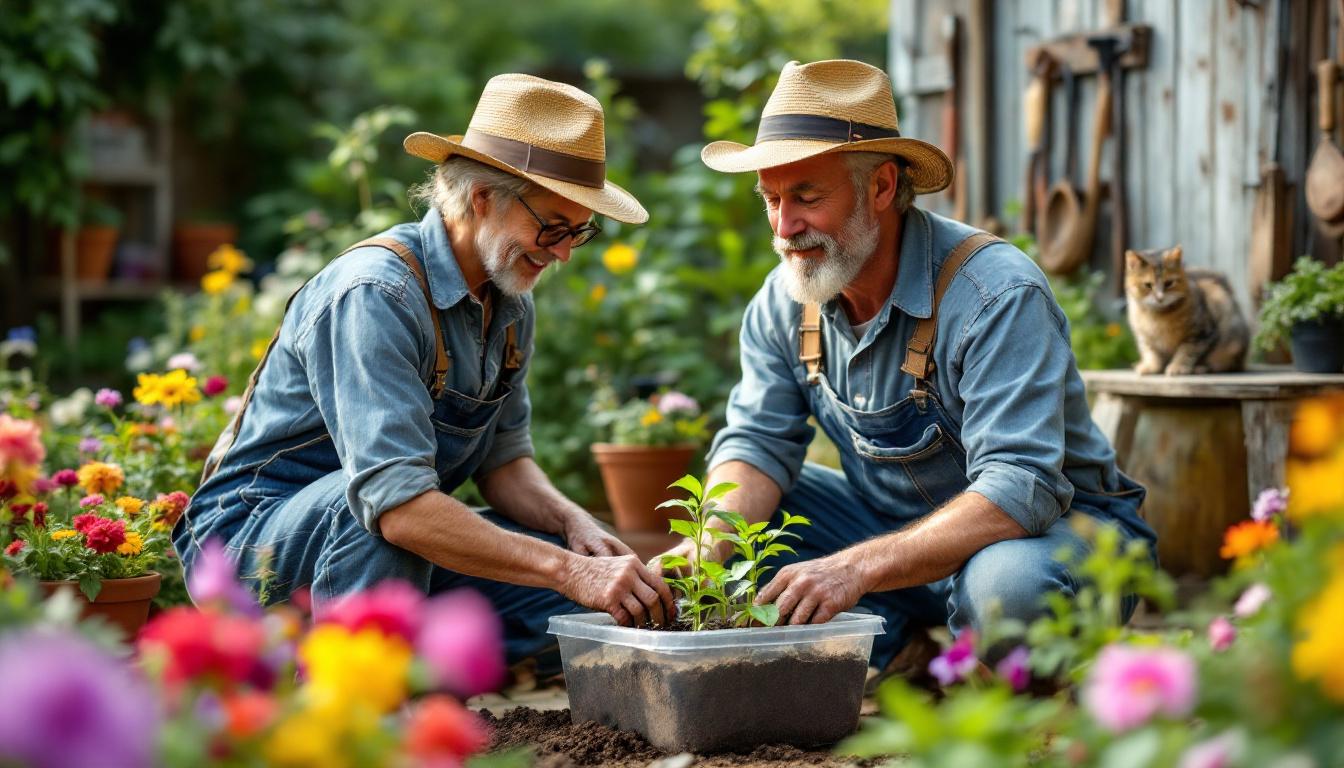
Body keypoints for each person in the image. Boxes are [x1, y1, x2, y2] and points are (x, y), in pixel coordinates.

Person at [657, 59, 1156, 675]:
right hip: (895, 538)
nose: (785, 228)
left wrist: (853, 569)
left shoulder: (994, 294)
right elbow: (757, 443)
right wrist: (707, 548)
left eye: (807, 197)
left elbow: (1020, 486)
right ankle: (896, 650)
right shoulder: (785, 300)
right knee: (749, 532)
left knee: (1010, 592)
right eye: (772, 200)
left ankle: (1018, 670)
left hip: (1053, 540)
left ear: (883, 187)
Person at [176, 74, 674, 664]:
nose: (564, 251)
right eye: (552, 226)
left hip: (383, 534)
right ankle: (357, 709)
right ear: (483, 197)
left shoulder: (510, 302)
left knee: (575, 582)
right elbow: (397, 502)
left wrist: (575, 530)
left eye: (579, 231)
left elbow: (505, 464)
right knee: (379, 515)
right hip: (252, 548)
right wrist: (565, 571)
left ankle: (420, 672)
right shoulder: (375, 294)